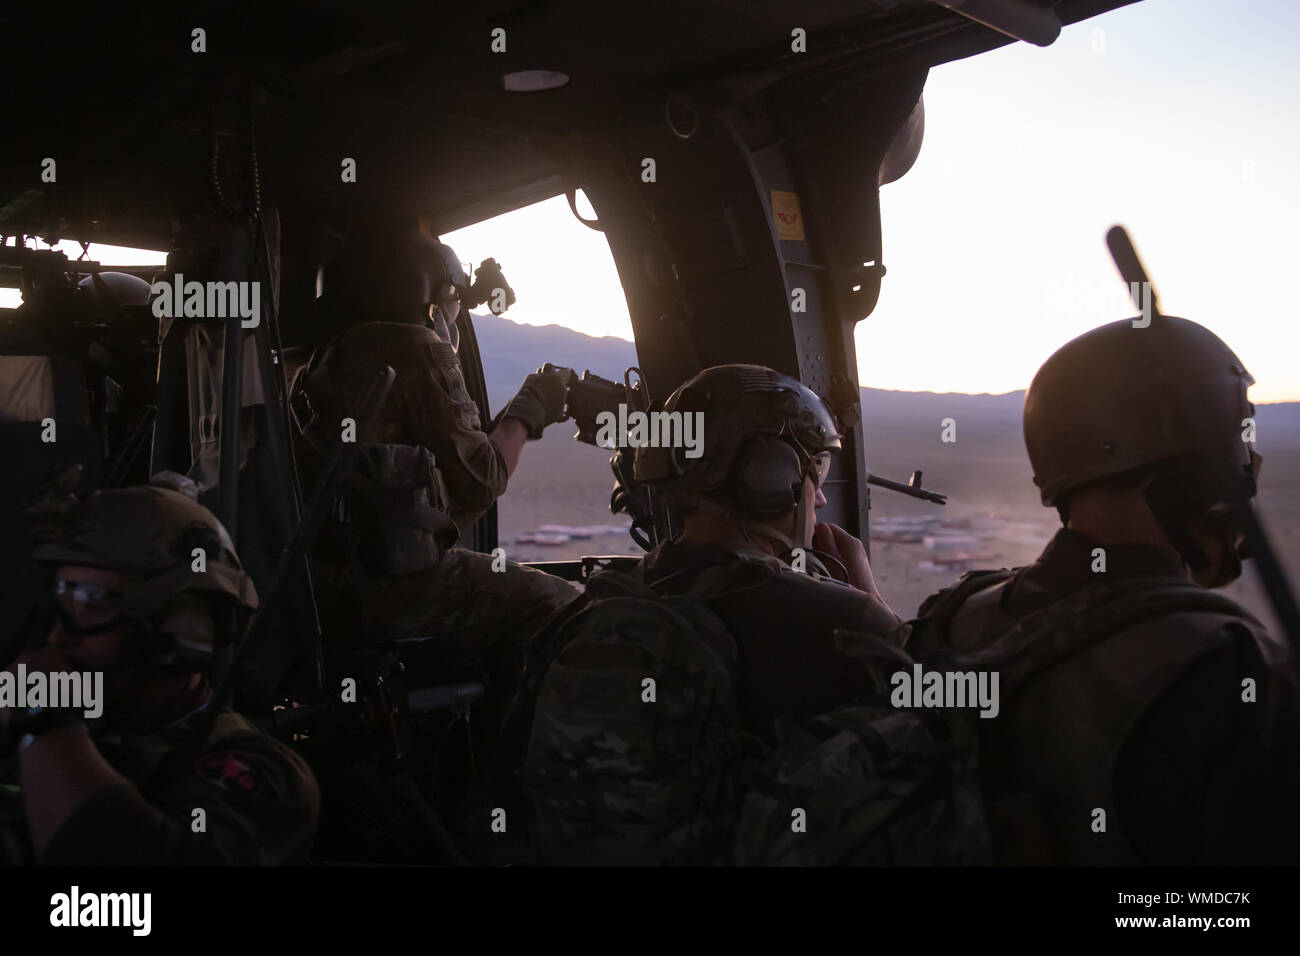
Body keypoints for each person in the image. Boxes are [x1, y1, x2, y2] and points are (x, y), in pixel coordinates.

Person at [909, 314, 1300, 865]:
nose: (1248, 468)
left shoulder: (951, 617)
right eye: (1236, 444)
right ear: (1189, 469)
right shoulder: (1236, 669)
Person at [491, 364, 903, 864]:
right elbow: (951, 718)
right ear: (770, 476)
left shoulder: (597, 604)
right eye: (812, 473)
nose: (817, 496)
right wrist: (868, 598)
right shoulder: (837, 622)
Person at [288, 229, 579, 786]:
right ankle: (499, 788)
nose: (453, 317)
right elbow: (481, 480)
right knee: (562, 608)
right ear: (428, 300)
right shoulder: (415, 347)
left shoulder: (322, 361)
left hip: (317, 589)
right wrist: (528, 410)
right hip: (380, 588)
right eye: (452, 303)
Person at [0, 472, 320, 865]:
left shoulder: (270, 781)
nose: (57, 638)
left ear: (183, 624)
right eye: (61, 603)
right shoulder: (69, 721)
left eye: (90, 604)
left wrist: (43, 717)